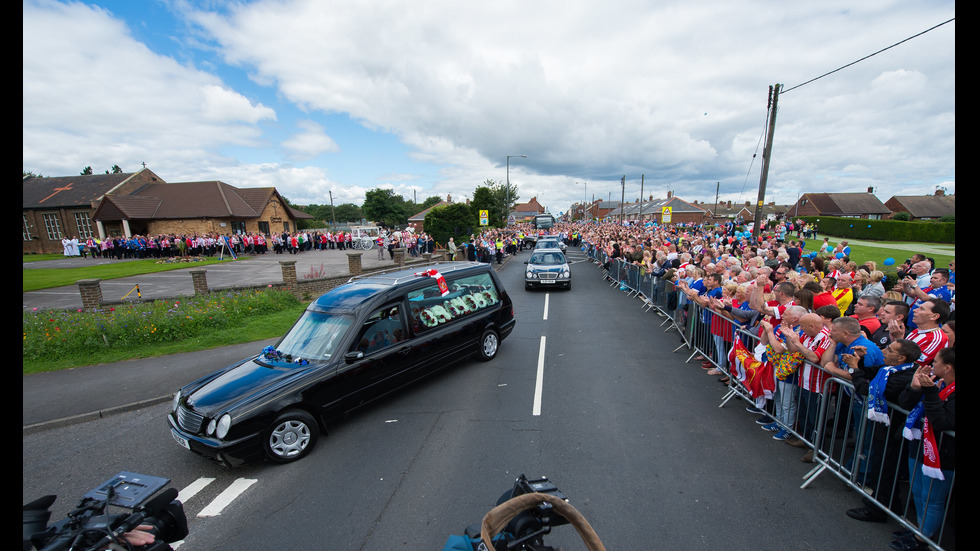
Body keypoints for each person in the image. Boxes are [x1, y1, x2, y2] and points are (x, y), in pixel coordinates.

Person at [844, 338, 922, 525]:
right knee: (882, 467)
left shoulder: (903, 377)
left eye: (889, 349)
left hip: (892, 431)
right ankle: (890, 504)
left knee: (884, 470)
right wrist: (861, 361)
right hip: (885, 427)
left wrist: (854, 368)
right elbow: (873, 372)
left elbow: (866, 389)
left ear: (901, 357)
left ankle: (876, 511)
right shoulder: (893, 369)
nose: (884, 351)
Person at [893, 347, 955, 551]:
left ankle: (923, 540)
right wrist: (915, 387)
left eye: (935, 361)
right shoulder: (938, 382)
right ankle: (920, 529)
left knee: (932, 499)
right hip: (920, 443)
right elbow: (905, 404)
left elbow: (942, 421)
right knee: (918, 491)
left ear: (947, 368)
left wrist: (929, 392)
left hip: (941, 455)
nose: (931, 364)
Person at [890, 298, 949, 367]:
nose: (915, 310)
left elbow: (912, 365)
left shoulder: (937, 339)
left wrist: (898, 339)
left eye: (922, 309)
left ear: (934, 316)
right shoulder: (916, 331)